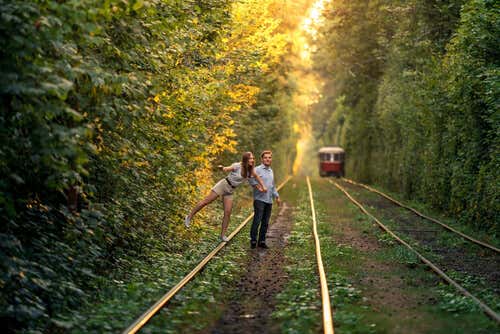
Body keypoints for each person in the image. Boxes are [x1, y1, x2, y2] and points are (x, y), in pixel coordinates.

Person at [184, 152, 267, 242]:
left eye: (253, 158)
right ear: (246, 159)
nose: (252, 160)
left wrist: (263, 186)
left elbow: (257, 178)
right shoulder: (238, 165)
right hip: (223, 185)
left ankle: (223, 235)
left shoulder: (250, 171)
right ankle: (189, 217)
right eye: (250, 158)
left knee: (227, 212)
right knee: (206, 201)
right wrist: (223, 168)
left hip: (230, 190)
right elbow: (228, 168)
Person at [249, 150, 281, 249]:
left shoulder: (271, 171)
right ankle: (253, 240)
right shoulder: (257, 169)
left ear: (271, 159)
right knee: (257, 220)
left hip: (269, 200)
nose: (268, 159)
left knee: (265, 222)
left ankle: (262, 241)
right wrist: (258, 187)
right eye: (266, 157)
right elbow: (250, 178)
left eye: (269, 157)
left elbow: (272, 186)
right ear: (262, 159)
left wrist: (277, 196)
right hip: (259, 199)